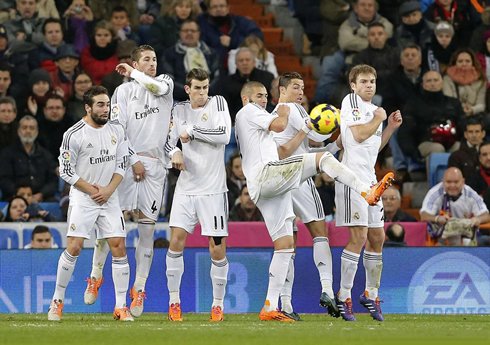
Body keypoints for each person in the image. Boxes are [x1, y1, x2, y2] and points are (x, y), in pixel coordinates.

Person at [235, 81, 394, 322]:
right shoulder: (250, 111)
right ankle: (366, 190)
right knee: (323, 159)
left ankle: (270, 306)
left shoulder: (256, 122)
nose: (264, 100)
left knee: (285, 244)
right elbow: (279, 125)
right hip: (267, 174)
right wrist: (285, 112)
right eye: (259, 96)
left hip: (263, 187)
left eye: (266, 96)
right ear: (246, 99)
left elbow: (286, 140)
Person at [85, 45, 174, 318]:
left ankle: (139, 289)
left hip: (156, 166)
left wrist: (135, 72)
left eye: (154, 59)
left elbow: (157, 89)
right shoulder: (123, 92)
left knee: (147, 230)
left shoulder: (165, 83)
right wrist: (132, 158)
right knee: (110, 226)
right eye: (146, 59)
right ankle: (95, 275)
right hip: (124, 163)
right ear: (135, 62)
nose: (152, 63)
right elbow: (117, 128)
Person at [47, 85, 131, 322]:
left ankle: (121, 306)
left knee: (119, 246)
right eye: (101, 105)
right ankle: (57, 301)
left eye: (108, 104)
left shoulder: (117, 129)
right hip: (84, 198)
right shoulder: (74, 134)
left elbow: (121, 163)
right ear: (88, 107)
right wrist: (92, 191)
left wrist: (108, 190)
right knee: (74, 247)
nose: (106, 110)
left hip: (110, 196)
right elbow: (65, 170)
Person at [272, 72, 343, 320]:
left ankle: (287, 305)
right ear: (281, 90)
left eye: (302, 88)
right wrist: (336, 126)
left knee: (287, 244)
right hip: (298, 178)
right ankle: (327, 290)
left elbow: (311, 144)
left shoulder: (274, 115)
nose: (300, 92)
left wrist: (334, 146)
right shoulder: (293, 109)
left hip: (277, 182)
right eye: (295, 87)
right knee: (319, 233)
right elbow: (316, 137)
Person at [334, 64, 402, 322]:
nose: (369, 85)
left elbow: (373, 146)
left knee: (378, 238)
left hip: (372, 180)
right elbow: (358, 136)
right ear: (353, 85)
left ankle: (371, 295)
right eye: (363, 81)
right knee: (359, 237)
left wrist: (390, 128)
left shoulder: (375, 111)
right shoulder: (351, 102)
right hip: (352, 180)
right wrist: (378, 119)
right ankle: (344, 297)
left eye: (372, 81)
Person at [165, 68, 231, 322]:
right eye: (198, 88)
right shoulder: (179, 110)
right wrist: (175, 153)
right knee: (175, 243)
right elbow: (168, 141)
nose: (203, 92)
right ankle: (174, 304)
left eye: (205, 87)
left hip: (213, 190)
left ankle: (217, 305)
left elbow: (224, 135)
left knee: (217, 251)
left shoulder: (219, 103)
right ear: (187, 89)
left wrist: (192, 132)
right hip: (186, 188)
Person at [398, 70, 464, 165]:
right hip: (426, 142)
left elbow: (463, 124)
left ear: (441, 84)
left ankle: (458, 179)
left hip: (451, 140)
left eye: (436, 80)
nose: (433, 83)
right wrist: (414, 153)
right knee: (437, 148)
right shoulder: (413, 104)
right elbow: (405, 132)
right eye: (429, 81)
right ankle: (438, 179)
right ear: (423, 85)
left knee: (459, 147)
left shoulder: (454, 103)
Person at [420, 167, 490, 246]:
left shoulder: (471, 194)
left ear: (463, 181)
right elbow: (424, 216)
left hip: (464, 237)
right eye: (448, 182)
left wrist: (478, 219)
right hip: (439, 237)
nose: (452, 185)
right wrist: (437, 218)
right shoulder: (434, 193)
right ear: (443, 181)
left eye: (456, 182)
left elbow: (486, 215)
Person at [0, 115, 58, 202]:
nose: (28, 131)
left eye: (31, 128)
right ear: (18, 131)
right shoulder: (7, 153)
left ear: (37, 132)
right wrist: (20, 193)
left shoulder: (46, 155)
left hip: (41, 198)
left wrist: (41, 194)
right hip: (14, 197)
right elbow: (4, 179)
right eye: (24, 128)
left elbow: (53, 181)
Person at [161, 19, 220, 102]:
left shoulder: (210, 53)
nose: (189, 33)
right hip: (179, 99)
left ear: (199, 33)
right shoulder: (169, 53)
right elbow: (168, 80)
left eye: (193, 31)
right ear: (180, 33)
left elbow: (218, 77)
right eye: (186, 31)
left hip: (209, 97)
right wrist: (191, 92)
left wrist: (203, 91)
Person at [197, 0, 264, 66]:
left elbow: (257, 38)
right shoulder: (202, 25)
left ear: (228, 8)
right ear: (209, 10)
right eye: (214, 7)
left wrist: (232, 41)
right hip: (213, 68)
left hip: (241, 68)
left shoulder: (240, 22)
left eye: (222, 6)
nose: (218, 9)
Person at [222, 48, 274, 121]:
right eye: (241, 60)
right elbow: (226, 108)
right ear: (236, 64)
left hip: (264, 120)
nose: (244, 63)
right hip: (237, 121)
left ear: (254, 62)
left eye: (247, 60)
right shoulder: (226, 82)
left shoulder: (267, 78)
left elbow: (271, 102)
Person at [443, 48, 486, 116]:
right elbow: (448, 101)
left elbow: (481, 104)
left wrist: (472, 109)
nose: (464, 64)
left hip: (474, 115)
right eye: (460, 61)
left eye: (467, 61)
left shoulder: (481, 81)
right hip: (454, 114)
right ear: (455, 63)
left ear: (472, 63)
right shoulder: (447, 79)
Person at [37, 94, 76, 163]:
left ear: (64, 110)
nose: (54, 111)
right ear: (45, 110)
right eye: (51, 108)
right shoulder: (37, 127)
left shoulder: (73, 128)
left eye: (58, 108)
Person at [80, 20, 119, 85]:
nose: (102, 38)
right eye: (99, 35)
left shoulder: (119, 52)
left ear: (112, 37)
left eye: (106, 35)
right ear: (94, 36)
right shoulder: (86, 53)